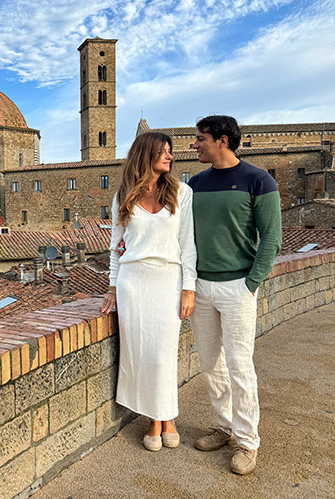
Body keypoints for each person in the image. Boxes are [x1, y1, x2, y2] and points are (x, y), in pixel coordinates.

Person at [188, 115, 281, 475]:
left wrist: (251, 283)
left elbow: (271, 238)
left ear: (222, 141)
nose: (194, 145)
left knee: (240, 366)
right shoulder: (195, 184)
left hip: (237, 286)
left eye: (200, 139)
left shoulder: (258, 180)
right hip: (200, 286)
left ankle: (247, 442)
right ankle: (225, 426)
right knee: (210, 363)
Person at [101, 132, 197, 451]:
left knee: (162, 356)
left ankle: (161, 418)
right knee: (141, 354)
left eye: (171, 152)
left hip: (168, 280)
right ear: (147, 155)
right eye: (163, 152)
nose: (170, 157)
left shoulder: (182, 192)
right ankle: (160, 421)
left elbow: (188, 245)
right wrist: (112, 289)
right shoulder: (123, 196)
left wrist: (188, 288)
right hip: (133, 283)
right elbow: (116, 247)